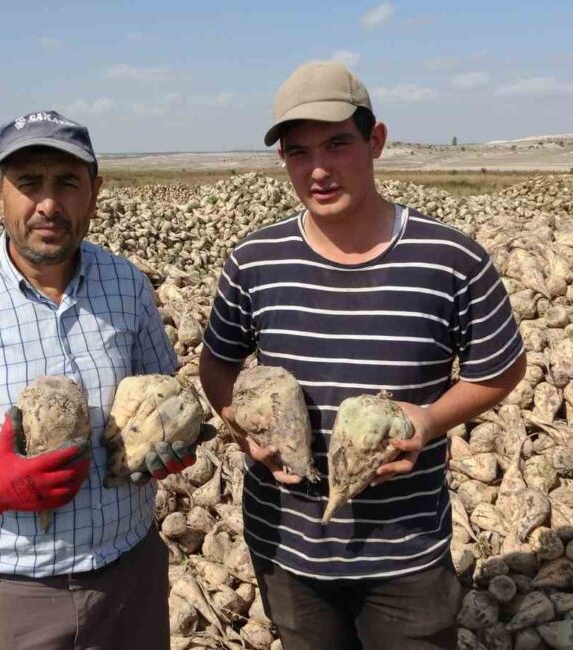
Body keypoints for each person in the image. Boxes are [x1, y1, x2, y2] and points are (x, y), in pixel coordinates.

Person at [198, 61, 527, 649]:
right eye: (298, 153)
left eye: (337, 145)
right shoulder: (254, 261)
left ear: (376, 140)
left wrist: (428, 420)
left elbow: (501, 369)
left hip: (406, 552)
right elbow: (217, 364)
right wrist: (239, 424)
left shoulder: (451, 259)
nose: (318, 170)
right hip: (287, 547)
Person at [0, 110, 196, 650]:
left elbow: (162, 396)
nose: (48, 203)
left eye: (67, 182)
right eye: (29, 184)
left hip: (128, 581)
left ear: (94, 192)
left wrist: (168, 444)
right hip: (7, 601)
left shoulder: (128, 285)